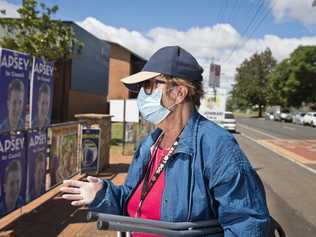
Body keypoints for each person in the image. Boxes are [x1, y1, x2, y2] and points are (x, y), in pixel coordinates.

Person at [61, 46, 273, 236]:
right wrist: (102, 194)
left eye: (150, 85)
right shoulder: (150, 143)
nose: (143, 94)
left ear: (179, 92)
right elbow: (131, 200)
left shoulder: (217, 146)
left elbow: (247, 223)